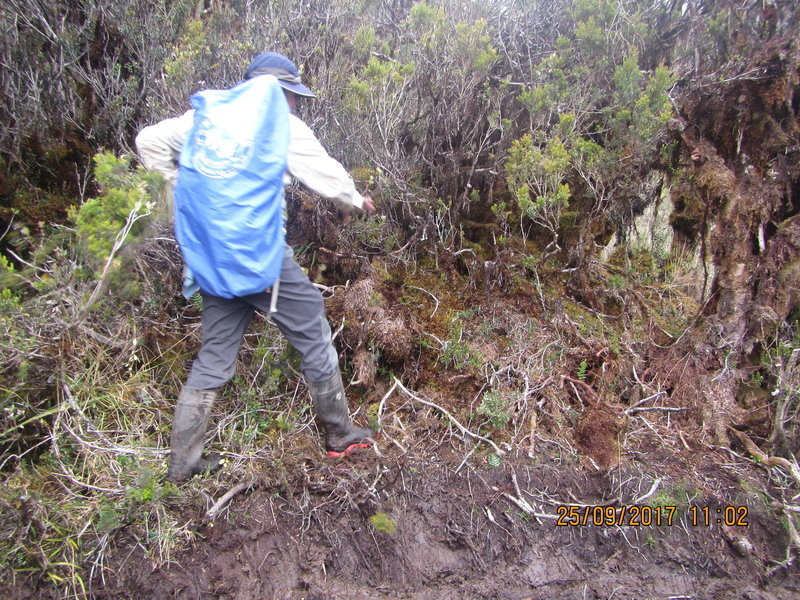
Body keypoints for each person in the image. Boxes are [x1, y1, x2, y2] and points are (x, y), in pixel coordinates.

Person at [136, 51, 376, 482]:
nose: (295, 104)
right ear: (282, 91)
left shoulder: (203, 121)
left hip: (212, 259)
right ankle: (339, 433)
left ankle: (182, 467)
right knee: (314, 330)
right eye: (294, 96)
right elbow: (324, 174)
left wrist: (179, 193)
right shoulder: (280, 122)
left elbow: (147, 142)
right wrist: (356, 201)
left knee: (214, 356)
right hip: (259, 259)